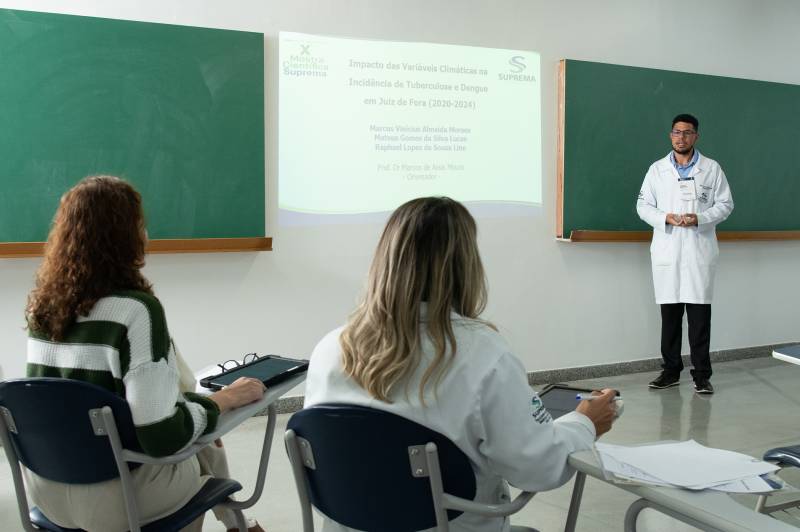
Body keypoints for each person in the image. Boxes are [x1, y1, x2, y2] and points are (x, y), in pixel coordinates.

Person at [304, 197, 617, 532]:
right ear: (465, 265)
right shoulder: (484, 355)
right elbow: (538, 468)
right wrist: (584, 422)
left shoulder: (330, 348)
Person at [24, 175, 266, 532]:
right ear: (125, 237)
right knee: (195, 443)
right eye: (140, 224)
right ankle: (238, 522)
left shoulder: (41, 311)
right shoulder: (136, 311)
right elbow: (160, 436)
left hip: (47, 493)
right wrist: (223, 401)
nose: (146, 234)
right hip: (119, 498)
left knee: (187, 416)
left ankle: (238, 524)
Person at [637, 114, 734, 394]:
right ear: (671, 135)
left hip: (698, 250)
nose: (681, 137)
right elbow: (643, 206)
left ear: (696, 136)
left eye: (687, 132)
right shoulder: (657, 170)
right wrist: (666, 217)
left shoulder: (711, 169)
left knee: (699, 319)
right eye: (677, 132)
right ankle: (670, 371)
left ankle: (702, 375)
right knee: (670, 318)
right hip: (668, 251)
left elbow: (726, 204)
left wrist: (699, 219)